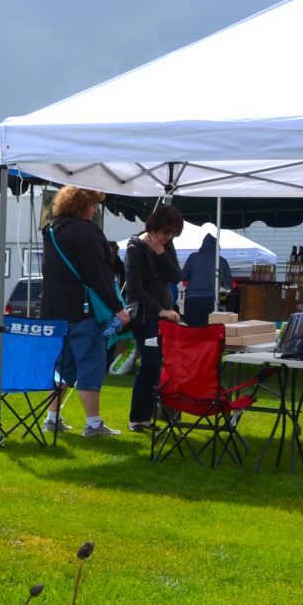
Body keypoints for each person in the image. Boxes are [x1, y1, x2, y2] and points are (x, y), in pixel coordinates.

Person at [41, 186, 131, 438]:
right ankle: (93, 424)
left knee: (62, 368)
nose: (95, 210)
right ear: (82, 205)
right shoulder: (87, 232)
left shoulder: (50, 230)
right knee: (90, 364)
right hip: (84, 311)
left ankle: (52, 419)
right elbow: (99, 275)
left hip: (56, 312)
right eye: (93, 204)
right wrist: (118, 308)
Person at [123, 204, 184, 432]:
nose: (169, 237)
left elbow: (176, 276)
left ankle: (146, 418)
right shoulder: (135, 248)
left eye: (174, 233)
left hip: (164, 314)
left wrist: (160, 253)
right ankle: (136, 418)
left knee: (155, 365)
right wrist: (159, 310)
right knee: (149, 363)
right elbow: (135, 289)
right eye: (167, 232)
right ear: (154, 227)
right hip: (146, 315)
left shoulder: (166, 247)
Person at [178, 239, 230, 326]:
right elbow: (227, 284)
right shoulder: (221, 261)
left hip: (192, 299)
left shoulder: (193, 257)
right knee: (208, 331)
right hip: (212, 300)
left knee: (192, 330)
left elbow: (183, 277)